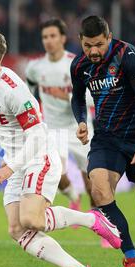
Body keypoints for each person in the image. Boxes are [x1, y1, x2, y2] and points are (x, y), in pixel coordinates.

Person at [0, 28, 121, 267]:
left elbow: (36, 134)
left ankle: (92, 218)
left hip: (39, 156)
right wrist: (9, 159)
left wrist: (9, 167)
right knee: (16, 229)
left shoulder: (13, 90)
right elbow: (6, 128)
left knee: (31, 219)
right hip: (18, 161)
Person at [71, 16, 135, 267]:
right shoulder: (79, 66)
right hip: (106, 139)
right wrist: (81, 121)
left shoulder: (127, 56)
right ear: (81, 41)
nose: (94, 51)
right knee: (99, 190)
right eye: (88, 45)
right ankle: (133, 260)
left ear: (109, 38)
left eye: (99, 44)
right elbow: (77, 97)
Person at [25, 18, 94, 212]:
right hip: (54, 129)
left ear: (63, 38)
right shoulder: (35, 68)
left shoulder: (77, 64)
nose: (48, 40)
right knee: (55, 175)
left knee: (92, 183)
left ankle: (100, 223)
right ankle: (73, 195)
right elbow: (28, 95)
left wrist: (66, 95)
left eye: (53, 36)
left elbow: (92, 98)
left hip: (80, 127)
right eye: (45, 37)